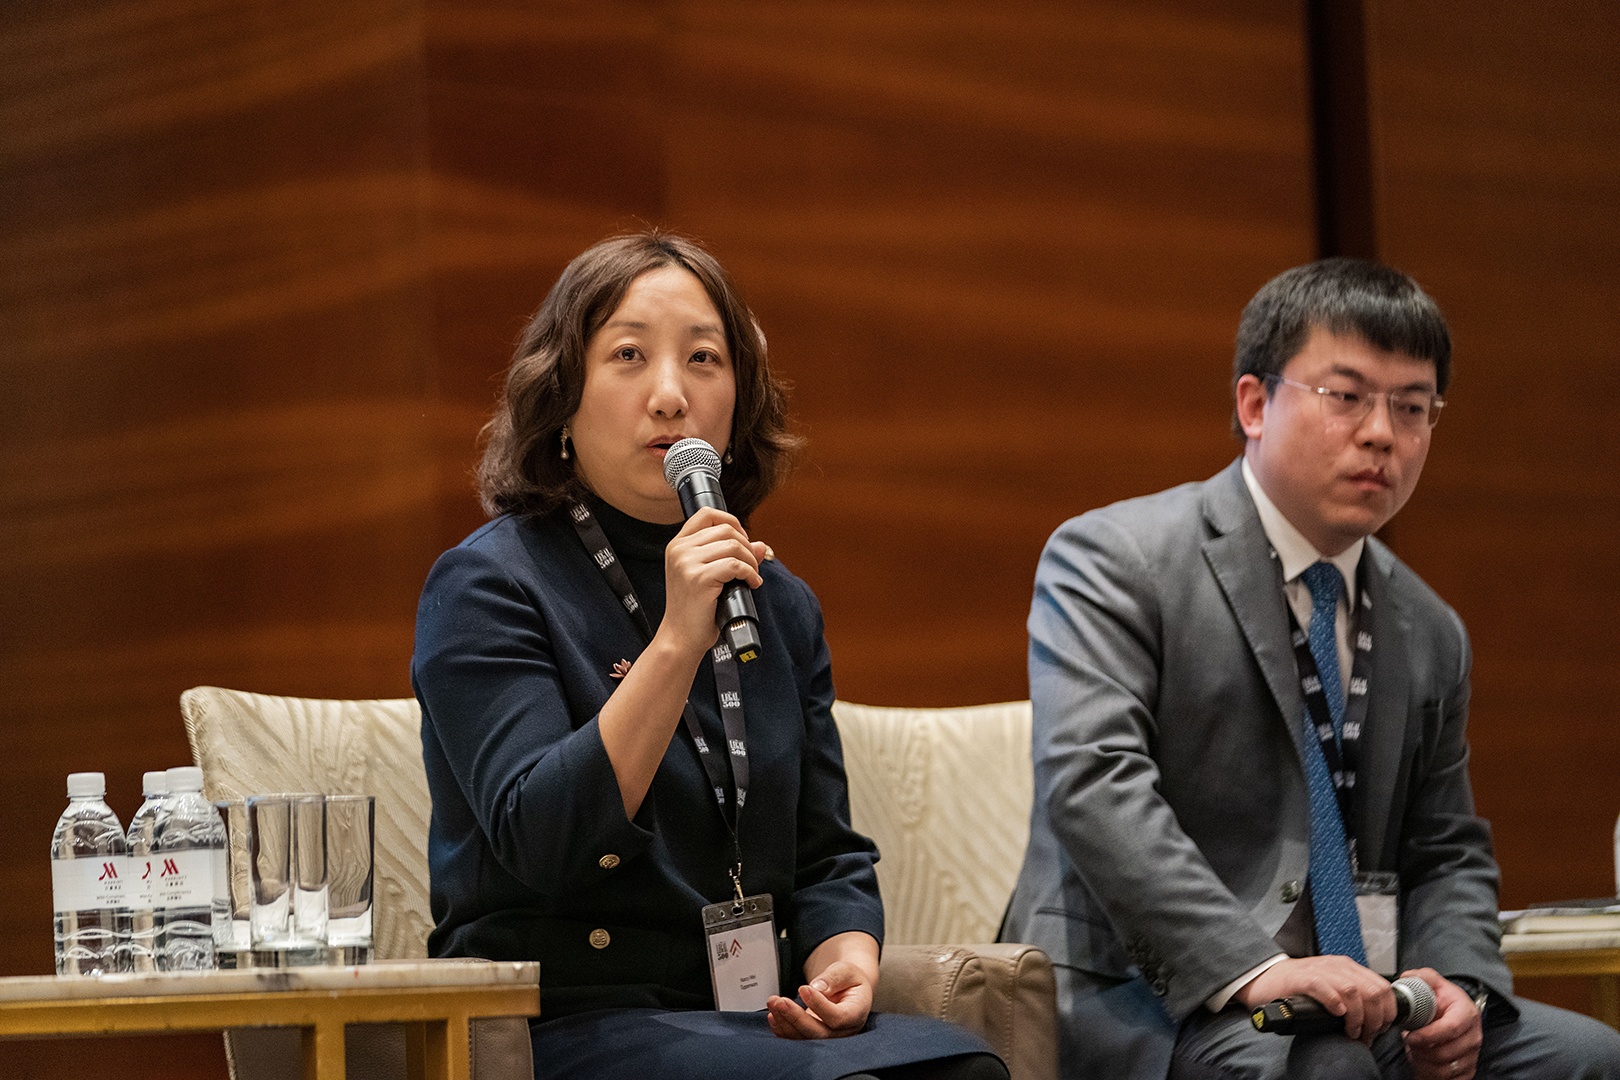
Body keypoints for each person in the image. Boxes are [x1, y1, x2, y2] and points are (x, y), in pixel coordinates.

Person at [1001, 258, 1620, 1079]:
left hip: (1364, 998)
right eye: (1347, 396)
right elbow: (1094, 784)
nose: (1382, 434)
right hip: (1151, 994)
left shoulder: (1431, 628)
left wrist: (1456, 986)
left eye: (1412, 407)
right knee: (1328, 1071)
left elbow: (1445, 847)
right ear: (1255, 404)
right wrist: (1254, 967)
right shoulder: (1116, 559)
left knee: (1588, 1059)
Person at [413, 232, 1005, 1080]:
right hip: (572, 1019)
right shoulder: (488, 584)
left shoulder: (775, 601)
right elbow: (541, 840)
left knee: (964, 1070)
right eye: (628, 355)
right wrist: (677, 640)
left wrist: (845, 962)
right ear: (562, 398)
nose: (670, 396)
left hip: (747, 1018)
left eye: (703, 359)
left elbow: (825, 853)